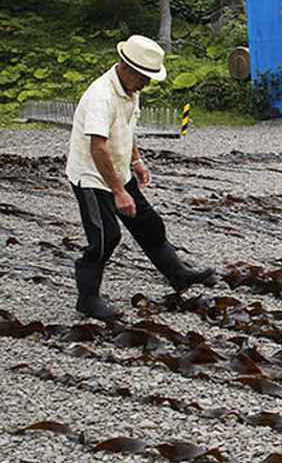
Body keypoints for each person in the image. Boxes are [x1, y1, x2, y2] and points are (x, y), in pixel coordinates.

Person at [66, 35, 214, 321]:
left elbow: (127, 128)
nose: (147, 83)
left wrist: (136, 161)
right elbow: (97, 147)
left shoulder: (132, 90)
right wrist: (119, 192)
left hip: (118, 170)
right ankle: (87, 300)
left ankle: (179, 276)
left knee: (149, 225)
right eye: (144, 77)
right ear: (125, 66)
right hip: (92, 178)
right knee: (105, 238)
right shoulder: (101, 96)